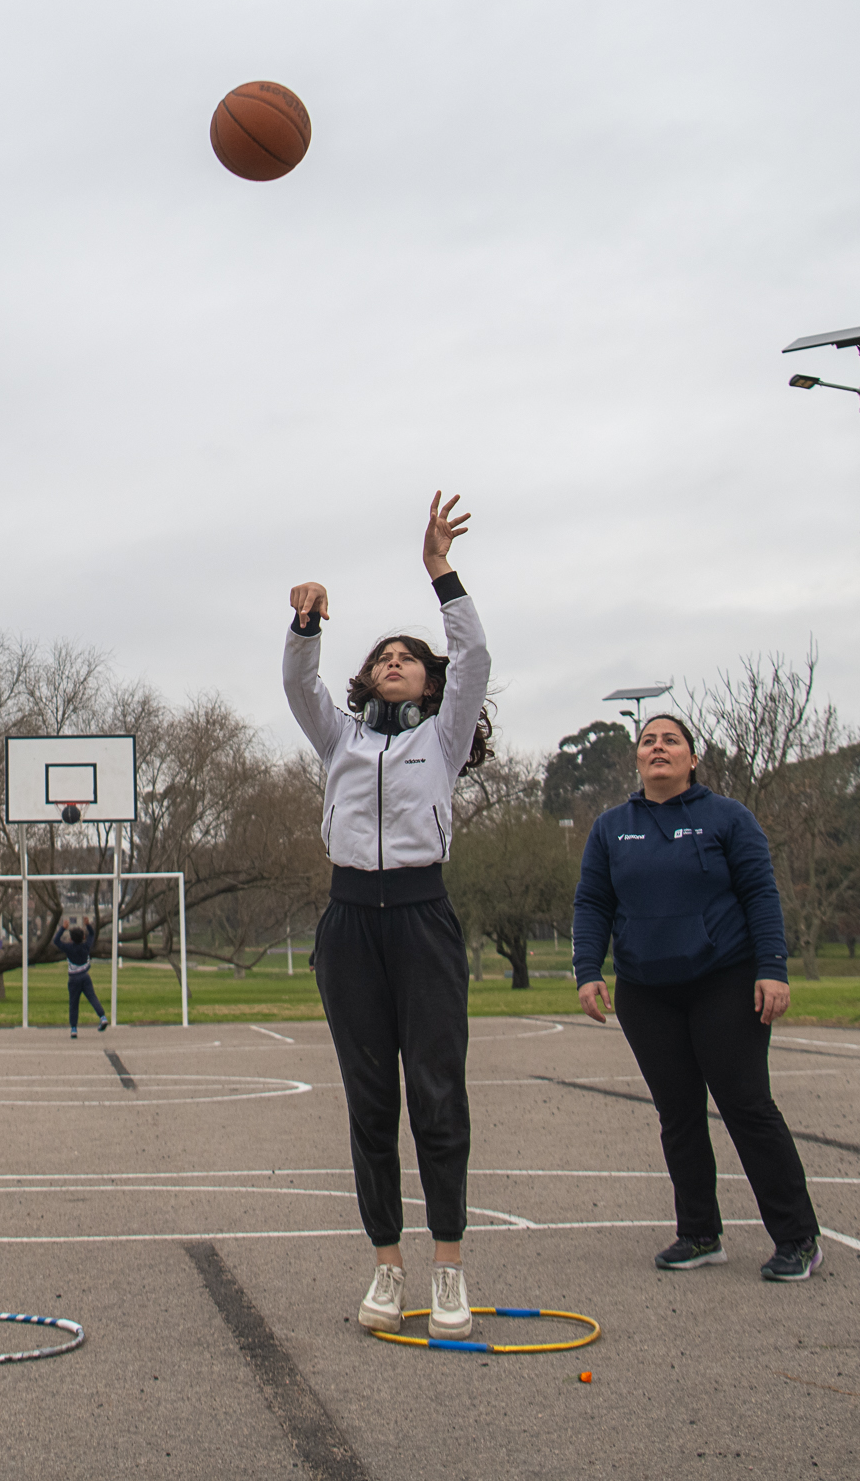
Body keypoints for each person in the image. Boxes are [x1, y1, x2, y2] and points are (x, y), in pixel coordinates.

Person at [284, 492, 491, 1342]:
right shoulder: (340, 739)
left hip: (421, 920)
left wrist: (439, 570)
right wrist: (307, 623)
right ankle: (387, 1268)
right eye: (386, 657)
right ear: (367, 680)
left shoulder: (441, 738)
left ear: (429, 682)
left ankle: (448, 1269)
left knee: (436, 1098)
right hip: (348, 927)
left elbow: (474, 651)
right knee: (371, 1103)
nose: (398, 662)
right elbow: (298, 682)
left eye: (411, 657)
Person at [573, 713, 822, 1285]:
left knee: (746, 1106)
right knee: (679, 1115)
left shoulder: (728, 818)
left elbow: (761, 893)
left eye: (671, 740)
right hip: (645, 992)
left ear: (691, 758)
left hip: (725, 982)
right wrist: (588, 970)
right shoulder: (612, 827)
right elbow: (592, 904)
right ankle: (699, 1235)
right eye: (648, 741)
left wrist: (773, 968)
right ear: (637, 759)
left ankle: (797, 1238)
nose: (658, 748)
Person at [55, 914, 107, 1037]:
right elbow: (93, 935)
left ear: (71, 939)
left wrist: (63, 928)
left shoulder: (69, 948)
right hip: (85, 976)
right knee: (92, 997)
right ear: (83, 937)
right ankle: (103, 1017)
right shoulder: (86, 946)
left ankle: (74, 1029)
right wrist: (88, 925)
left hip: (73, 979)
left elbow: (56, 941)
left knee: (74, 1004)